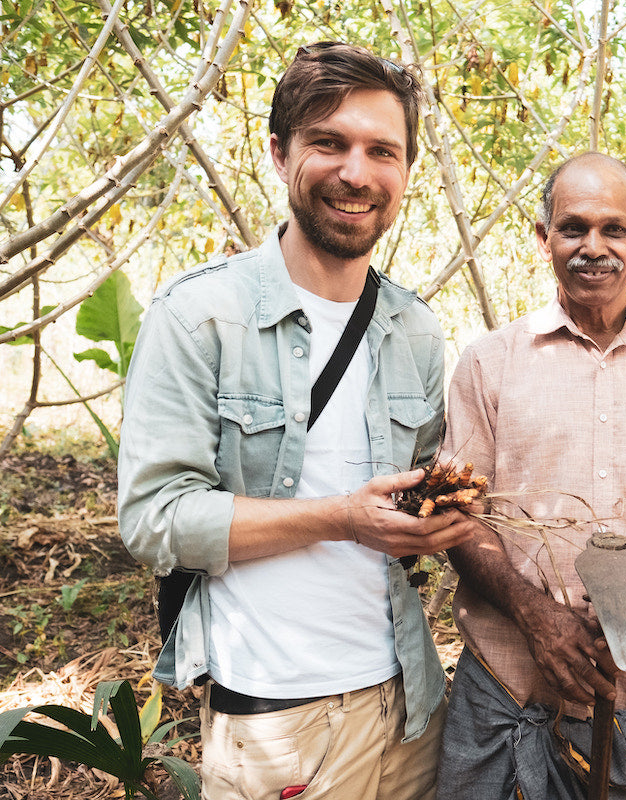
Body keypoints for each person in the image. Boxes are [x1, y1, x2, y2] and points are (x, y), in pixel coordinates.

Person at [117, 42, 474, 800]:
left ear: (406, 170)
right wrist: (343, 518)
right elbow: (154, 519)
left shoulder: (415, 328)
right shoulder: (199, 314)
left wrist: (443, 517)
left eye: (382, 150)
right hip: (277, 718)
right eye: (329, 143)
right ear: (280, 155)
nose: (356, 172)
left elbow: (408, 505)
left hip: (411, 698)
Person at [433, 152, 626, 800]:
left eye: (613, 229)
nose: (593, 247)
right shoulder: (490, 365)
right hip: (503, 688)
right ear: (543, 237)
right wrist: (536, 616)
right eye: (573, 228)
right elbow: (458, 512)